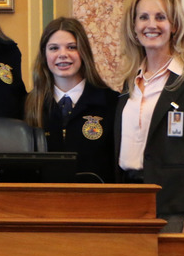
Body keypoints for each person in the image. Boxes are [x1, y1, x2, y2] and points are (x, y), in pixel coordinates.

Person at [115, 0, 184, 233]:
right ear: (134, 27)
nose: (151, 24)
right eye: (143, 17)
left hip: (176, 209)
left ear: (174, 26)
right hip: (128, 202)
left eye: (160, 17)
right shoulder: (129, 82)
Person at [24, 17, 118, 184]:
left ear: (84, 52)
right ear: (44, 54)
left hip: (97, 204)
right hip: (44, 204)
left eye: (71, 47)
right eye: (54, 48)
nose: (62, 55)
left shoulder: (111, 103)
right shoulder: (29, 104)